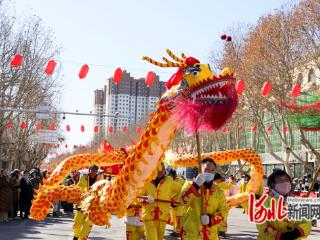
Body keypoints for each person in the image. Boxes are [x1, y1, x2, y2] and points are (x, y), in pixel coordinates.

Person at [180, 158, 228, 240]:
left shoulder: (219, 191)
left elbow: (224, 211)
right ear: (200, 170)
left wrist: (211, 219)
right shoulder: (188, 185)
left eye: (212, 170)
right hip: (191, 234)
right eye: (206, 169)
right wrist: (195, 186)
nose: (209, 172)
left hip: (210, 235)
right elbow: (183, 201)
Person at [256, 169, 312, 240]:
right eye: (281, 180)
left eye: (286, 180)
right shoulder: (264, 201)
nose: (285, 182)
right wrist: (278, 236)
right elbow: (261, 225)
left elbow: (306, 222)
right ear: (273, 184)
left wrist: (295, 233)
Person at [139, 163, 180, 240]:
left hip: (163, 215)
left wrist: (173, 200)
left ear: (164, 170)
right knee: (152, 237)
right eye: (158, 169)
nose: (160, 171)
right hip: (148, 215)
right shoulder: (146, 180)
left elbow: (180, 190)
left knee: (159, 238)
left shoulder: (169, 181)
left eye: (162, 169)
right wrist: (145, 199)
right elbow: (139, 196)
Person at [73, 165, 99, 240]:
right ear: (89, 170)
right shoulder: (83, 177)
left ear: (97, 171)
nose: (93, 172)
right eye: (92, 170)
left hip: (93, 206)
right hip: (81, 203)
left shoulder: (99, 180)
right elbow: (78, 188)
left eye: (95, 170)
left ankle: (82, 238)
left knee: (87, 225)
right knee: (77, 223)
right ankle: (76, 236)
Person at [213, 173, 234, 238]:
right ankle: (221, 231)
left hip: (216, 203)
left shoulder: (213, 184)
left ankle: (218, 231)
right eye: (220, 178)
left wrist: (230, 181)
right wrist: (231, 181)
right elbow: (229, 186)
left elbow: (228, 186)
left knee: (216, 216)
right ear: (218, 179)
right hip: (218, 203)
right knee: (221, 217)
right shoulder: (219, 184)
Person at [168, 169, 185, 237]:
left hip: (179, 203)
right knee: (174, 217)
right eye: (169, 175)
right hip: (172, 203)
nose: (170, 177)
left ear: (174, 175)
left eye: (171, 175)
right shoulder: (169, 181)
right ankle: (175, 230)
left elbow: (183, 190)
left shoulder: (180, 180)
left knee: (179, 217)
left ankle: (178, 232)